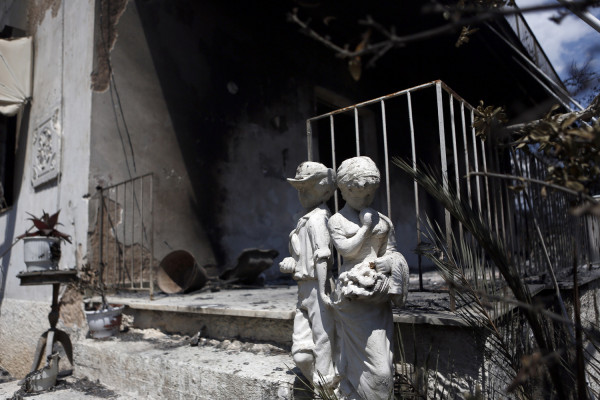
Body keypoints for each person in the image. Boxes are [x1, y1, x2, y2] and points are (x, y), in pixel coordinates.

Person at [326, 156, 409, 400]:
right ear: (343, 191)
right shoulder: (337, 220)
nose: (366, 200)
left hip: (378, 294)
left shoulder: (384, 221)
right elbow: (347, 251)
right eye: (359, 195)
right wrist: (365, 228)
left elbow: (391, 251)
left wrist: (390, 262)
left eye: (370, 194)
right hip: (353, 295)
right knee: (373, 366)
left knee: (383, 362)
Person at [280, 161, 338, 388]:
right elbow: (301, 255)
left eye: (307, 187)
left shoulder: (318, 219)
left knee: (323, 339)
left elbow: (323, 255)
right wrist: (291, 263)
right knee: (301, 353)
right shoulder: (305, 219)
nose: (301, 193)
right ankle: (322, 385)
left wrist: (323, 291)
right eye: (299, 188)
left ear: (324, 190)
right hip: (304, 288)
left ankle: (325, 387)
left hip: (317, 286)